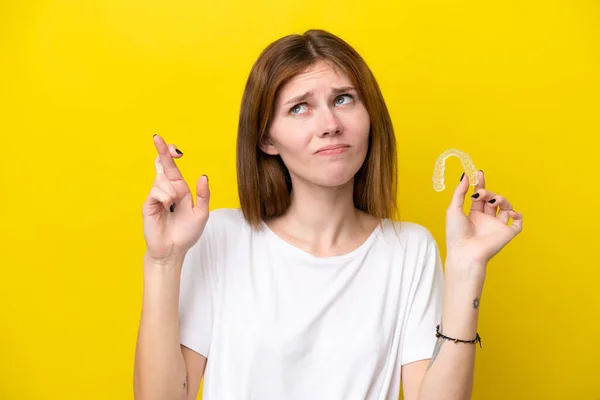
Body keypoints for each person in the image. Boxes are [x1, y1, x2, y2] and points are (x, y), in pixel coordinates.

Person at [133, 29, 523, 400]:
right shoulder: (221, 237)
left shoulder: (409, 250)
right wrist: (163, 262)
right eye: (300, 108)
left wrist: (467, 268)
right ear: (267, 138)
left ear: (370, 116)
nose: (331, 126)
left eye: (343, 99)